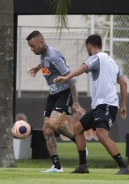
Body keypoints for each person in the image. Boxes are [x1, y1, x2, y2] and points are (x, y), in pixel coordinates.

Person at [54, 34, 129, 175]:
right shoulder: (112, 62)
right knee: (77, 129)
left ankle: (124, 167)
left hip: (106, 105)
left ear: (89, 46)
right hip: (100, 106)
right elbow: (124, 83)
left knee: (101, 135)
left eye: (87, 48)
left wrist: (66, 77)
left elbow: (83, 68)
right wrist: (123, 105)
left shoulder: (96, 58)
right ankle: (83, 166)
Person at [26, 30, 86, 173]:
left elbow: (70, 77)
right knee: (46, 130)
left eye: (33, 46)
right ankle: (57, 167)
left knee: (52, 124)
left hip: (64, 92)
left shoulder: (53, 56)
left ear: (41, 42)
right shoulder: (44, 54)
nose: (31, 49)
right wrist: (38, 66)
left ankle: (77, 140)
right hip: (53, 94)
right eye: (30, 46)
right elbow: (46, 62)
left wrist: (75, 102)